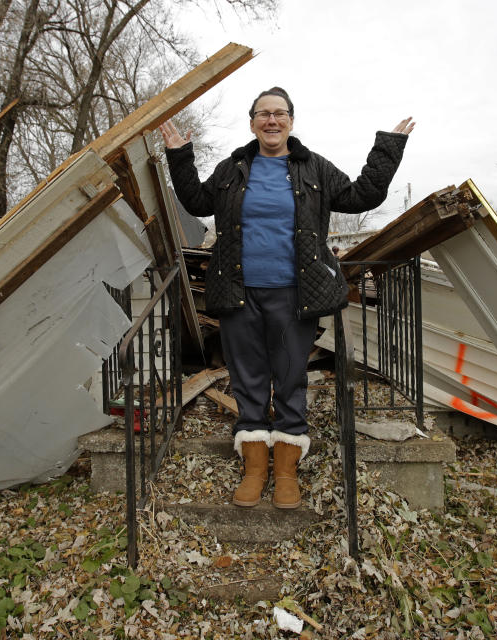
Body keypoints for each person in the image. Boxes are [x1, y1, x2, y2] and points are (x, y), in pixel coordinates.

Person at [160, 87, 413, 510]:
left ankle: (286, 471)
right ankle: (255, 468)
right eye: (263, 114)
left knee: (290, 376)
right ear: (253, 122)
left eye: (279, 114)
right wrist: (180, 156)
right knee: (248, 378)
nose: (271, 121)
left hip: (295, 294)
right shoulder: (234, 168)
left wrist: (387, 149)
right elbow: (197, 201)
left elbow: (361, 197)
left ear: (291, 121)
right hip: (239, 292)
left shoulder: (313, 167)